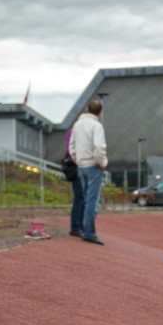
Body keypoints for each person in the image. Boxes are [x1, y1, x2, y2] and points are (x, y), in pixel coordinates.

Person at [68, 99, 107, 245]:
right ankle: (89, 232)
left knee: (83, 199)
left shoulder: (77, 125)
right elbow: (99, 147)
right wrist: (102, 163)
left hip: (81, 166)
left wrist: (78, 160)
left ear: (87, 109)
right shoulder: (97, 126)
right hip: (93, 166)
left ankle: (82, 228)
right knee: (92, 201)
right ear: (100, 112)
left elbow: (72, 146)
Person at [64, 129, 84, 237]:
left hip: (79, 166)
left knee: (81, 198)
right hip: (77, 167)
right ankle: (76, 226)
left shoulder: (73, 131)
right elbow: (70, 151)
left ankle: (79, 225)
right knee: (79, 198)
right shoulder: (75, 132)